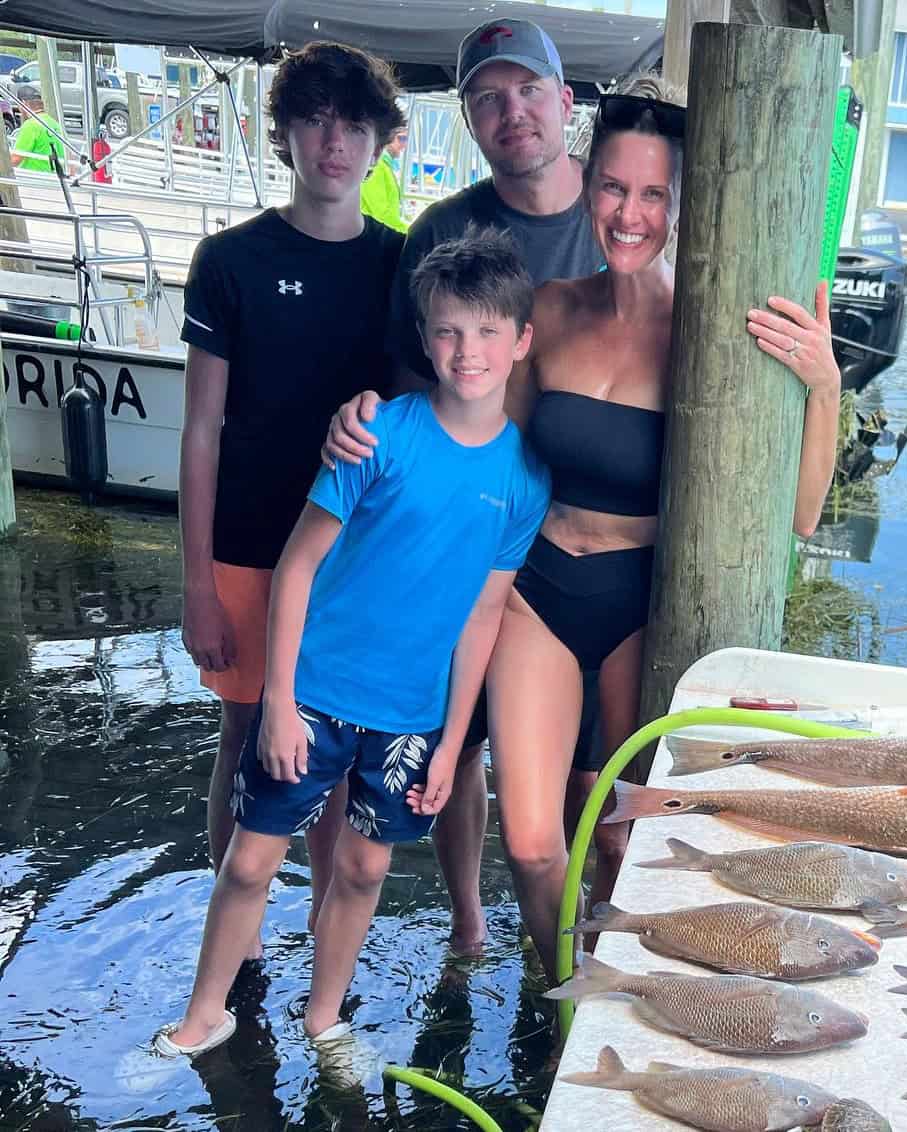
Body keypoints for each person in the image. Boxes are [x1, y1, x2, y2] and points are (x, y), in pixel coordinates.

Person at [328, 74, 843, 980]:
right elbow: (479, 439)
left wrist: (825, 386)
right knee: (532, 846)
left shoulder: (711, 335)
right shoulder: (551, 310)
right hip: (538, 591)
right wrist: (371, 425)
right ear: (587, 184)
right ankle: (570, 992)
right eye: (612, 187)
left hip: (643, 605)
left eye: (652, 194)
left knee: (615, 839)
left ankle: (617, 995)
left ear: (680, 205)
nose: (629, 214)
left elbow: (798, 515)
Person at [157, 226, 549, 1060]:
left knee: (366, 869)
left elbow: (484, 615)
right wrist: (278, 701)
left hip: (411, 717)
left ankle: (323, 1014)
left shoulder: (524, 479)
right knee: (251, 862)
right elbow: (297, 567)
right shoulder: (379, 436)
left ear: (522, 340)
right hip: (316, 692)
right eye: (448, 330)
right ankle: (204, 1014)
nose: (467, 351)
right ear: (424, 339)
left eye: (487, 331)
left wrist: (451, 742)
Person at [331, 17, 607, 958]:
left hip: (589, 534)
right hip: (474, 530)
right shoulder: (443, 231)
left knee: (586, 771)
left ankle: (582, 941)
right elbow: (412, 396)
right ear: (468, 119)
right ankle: (468, 919)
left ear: (565, 101)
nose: (512, 112)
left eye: (528, 90)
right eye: (488, 98)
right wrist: (361, 423)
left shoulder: (619, 214)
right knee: (466, 734)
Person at [178, 42, 406, 961]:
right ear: (283, 135)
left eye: (353, 124)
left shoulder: (400, 264)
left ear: (381, 141)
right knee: (243, 730)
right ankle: (236, 930)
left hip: (353, 557)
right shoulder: (229, 259)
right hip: (245, 543)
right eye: (314, 120)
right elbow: (201, 428)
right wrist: (197, 585)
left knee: (336, 746)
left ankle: (321, 926)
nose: (333, 142)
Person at [360, 127, 408, 231]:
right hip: (381, 234)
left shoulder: (384, 166)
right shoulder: (378, 167)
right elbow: (378, 213)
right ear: (387, 139)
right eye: (401, 138)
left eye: (406, 139)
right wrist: (405, 233)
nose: (404, 144)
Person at [11, 84, 65, 172]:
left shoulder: (31, 125)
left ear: (23, 104)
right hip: (55, 176)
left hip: (34, 176)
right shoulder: (54, 124)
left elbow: (15, 159)